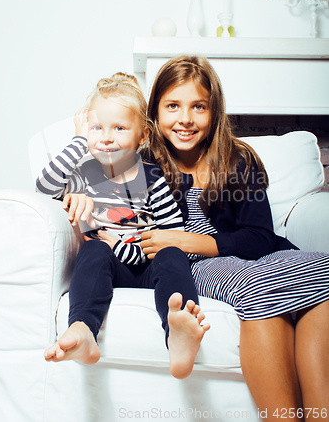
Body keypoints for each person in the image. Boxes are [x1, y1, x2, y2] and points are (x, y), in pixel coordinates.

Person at [139, 55, 329, 420]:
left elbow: (260, 237)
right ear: (155, 111)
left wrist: (191, 239)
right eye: (173, 106)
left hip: (255, 254)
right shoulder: (140, 164)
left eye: (199, 107)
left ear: (214, 111)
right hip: (197, 269)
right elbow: (102, 200)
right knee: (255, 285)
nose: (185, 119)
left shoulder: (237, 158)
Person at [36, 72, 209, 379]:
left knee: (173, 254)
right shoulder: (85, 175)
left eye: (119, 128)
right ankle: (83, 329)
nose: (106, 137)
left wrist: (124, 248)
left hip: (146, 266)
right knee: (93, 253)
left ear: (142, 137)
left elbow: (173, 236)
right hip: (108, 267)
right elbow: (44, 186)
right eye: (97, 128)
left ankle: (178, 330)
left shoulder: (152, 178)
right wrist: (79, 142)